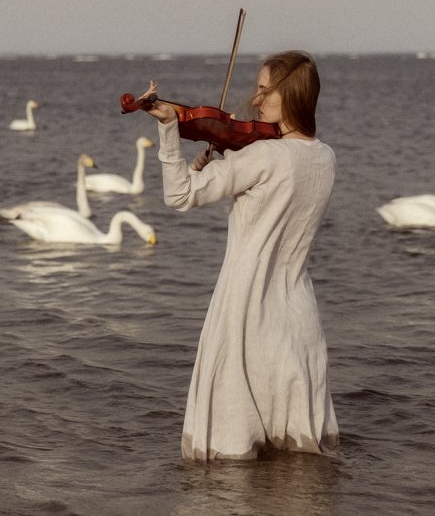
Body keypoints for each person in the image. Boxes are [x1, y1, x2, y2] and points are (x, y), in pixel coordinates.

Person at [139, 50, 339, 460]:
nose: (255, 99)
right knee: (298, 453)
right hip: (297, 313)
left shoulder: (262, 156)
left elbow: (179, 196)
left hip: (245, 307)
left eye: (266, 90)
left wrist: (169, 128)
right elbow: (275, 187)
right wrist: (217, 166)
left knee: (231, 451)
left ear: (293, 96)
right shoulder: (325, 157)